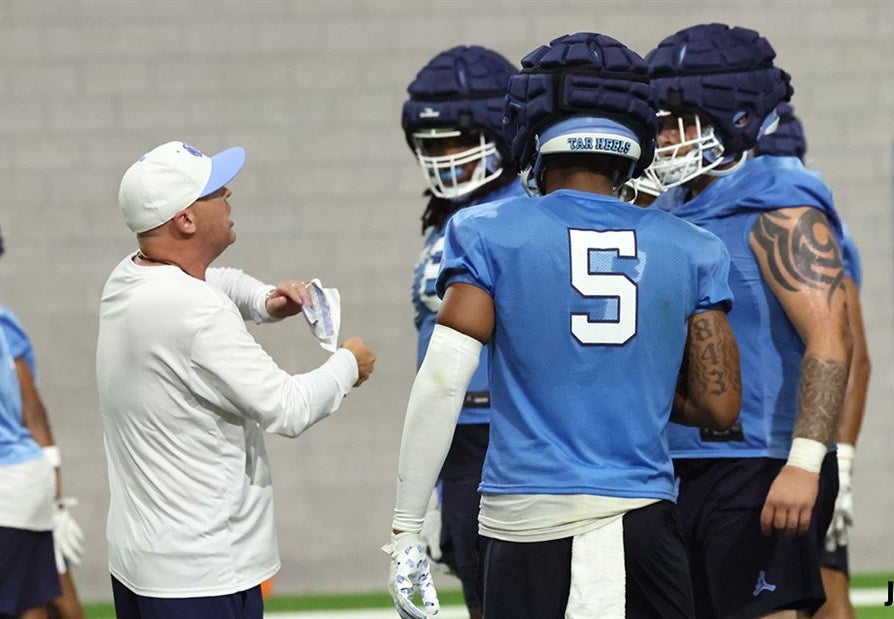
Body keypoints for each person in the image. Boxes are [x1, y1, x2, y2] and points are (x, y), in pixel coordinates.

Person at [384, 32, 742, 619]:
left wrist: (405, 529)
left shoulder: (486, 231)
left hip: (527, 521)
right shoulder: (693, 247)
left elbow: (443, 382)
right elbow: (722, 407)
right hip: (644, 520)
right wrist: (634, 386)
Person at [97, 141, 377, 619]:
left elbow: (214, 281)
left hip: (143, 569)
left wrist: (266, 302)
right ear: (185, 220)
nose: (229, 193)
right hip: (202, 578)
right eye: (214, 191)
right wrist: (350, 364)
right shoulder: (195, 312)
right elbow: (287, 408)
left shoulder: (128, 276)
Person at [644, 23, 852, 618]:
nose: (658, 139)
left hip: (760, 460)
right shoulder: (670, 207)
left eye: (672, 122)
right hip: (673, 464)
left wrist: (804, 464)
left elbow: (830, 342)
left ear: (728, 119)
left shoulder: (781, 206)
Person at [402, 45, 522, 619]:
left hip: (508, 425)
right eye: (433, 144)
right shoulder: (447, 223)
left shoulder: (520, 210)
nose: (445, 158)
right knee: (481, 595)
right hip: (459, 432)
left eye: (458, 139)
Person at [756, 103, 870, 619]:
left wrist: (839, 460)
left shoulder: (803, 225)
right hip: (774, 440)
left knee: (820, 582)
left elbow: (854, 353)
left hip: (793, 441)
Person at [0, 224, 79, 619]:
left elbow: (34, 414)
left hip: (10, 487)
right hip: (24, 486)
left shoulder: (4, 326)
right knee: (39, 600)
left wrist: (58, 504)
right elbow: (36, 416)